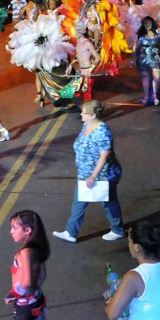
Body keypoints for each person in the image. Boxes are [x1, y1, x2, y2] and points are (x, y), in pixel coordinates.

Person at [53, 100, 125, 243]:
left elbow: (104, 156)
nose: (81, 114)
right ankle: (71, 232)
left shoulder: (102, 131)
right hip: (86, 174)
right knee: (79, 202)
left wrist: (93, 175)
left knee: (108, 203)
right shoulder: (87, 125)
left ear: (92, 115)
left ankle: (117, 230)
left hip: (104, 175)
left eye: (84, 113)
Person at [132, 17, 160, 106]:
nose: (147, 25)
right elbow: (135, 47)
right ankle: (146, 96)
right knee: (145, 77)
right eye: (145, 23)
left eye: (149, 23)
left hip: (156, 58)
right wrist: (133, 59)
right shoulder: (140, 34)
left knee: (156, 77)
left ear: (152, 23)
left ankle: (155, 95)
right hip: (143, 59)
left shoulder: (157, 33)